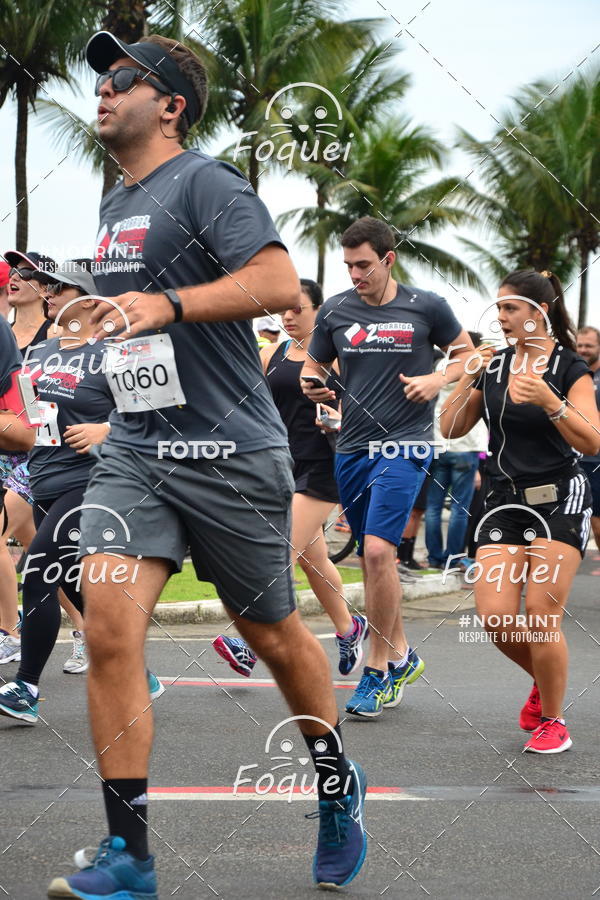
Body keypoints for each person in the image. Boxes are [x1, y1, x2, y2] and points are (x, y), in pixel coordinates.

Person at [47, 32, 367, 899]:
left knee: (270, 634)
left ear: (170, 104)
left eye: (121, 79)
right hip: (139, 452)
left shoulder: (208, 182)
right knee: (110, 627)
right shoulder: (118, 203)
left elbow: (277, 283)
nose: (103, 92)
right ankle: (131, 856)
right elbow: (137, 324)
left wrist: (168, 304)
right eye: (100, 80)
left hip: (231, 455)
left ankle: (336, 785)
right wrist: (102, 325)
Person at [301, 215, 473, 718]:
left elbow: (471, 355)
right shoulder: (335, 310)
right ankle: (402, 655)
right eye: (349, 265)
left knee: (377, 553)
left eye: (364, 265)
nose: (356, 274)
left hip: (405, 445)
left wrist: (437, 379)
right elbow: (314, 364)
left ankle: (375, 672)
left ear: (388, 259)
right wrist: (315, 386)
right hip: (351, 448)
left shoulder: (426, 306)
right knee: (375, 563)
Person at [440, 270, 600, 753]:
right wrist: (467, 378)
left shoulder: (570, 369)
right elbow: (449, 429)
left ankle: (554, 719)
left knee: (540, 614)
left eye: (510, 308)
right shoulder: (492, 365)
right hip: (502, 504)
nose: (501, 317)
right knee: (495, 618)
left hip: (559, 500)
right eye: (499, 308)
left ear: (539, 312)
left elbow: (592, 440)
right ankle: (545, 679)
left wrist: (551, 401)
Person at [213, 279, 368, 678]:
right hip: (281, 466)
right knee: (314, 560)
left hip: (324, 467)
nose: (288, 316)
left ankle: (248, 642)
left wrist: (339, 419)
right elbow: (251, 406)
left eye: (297, 308)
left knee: (279, 552)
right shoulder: (273, 354)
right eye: (283, 309)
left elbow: (367, 413)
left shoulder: (339, 358)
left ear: (319, 311)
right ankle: (349, 628)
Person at [0, 261, 122, 723]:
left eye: (58, 287)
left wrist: (107, 429)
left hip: (92, 484)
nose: (46, 293)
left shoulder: (115, 351)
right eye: (44, 285)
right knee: (81, 588)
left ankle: (26, 688)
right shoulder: (38, 352)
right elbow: (31, 422)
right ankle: (140, 669)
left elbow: (162, 416)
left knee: (38, 571)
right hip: (44, 480)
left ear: (90, 299)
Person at [0, 252, 56, 664]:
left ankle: (10, 632)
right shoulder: (7, 332)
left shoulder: (56, 334)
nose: (17, 278)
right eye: (12, 273)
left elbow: (32, 404)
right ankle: (89, 627)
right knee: (46, 551)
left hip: (36, 449)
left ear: (47, 287)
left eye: (27, 272)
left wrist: (34, 432)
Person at [425, 330, 489, 570]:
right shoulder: (474, 368)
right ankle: (454, 558)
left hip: (439, 443)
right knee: (460, 508)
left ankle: (434, 558)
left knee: (433, 506)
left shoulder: (441, 365)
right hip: (466, 444)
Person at [576, 326, 600, 551]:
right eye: (580, 345)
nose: (583, 350)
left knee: (598, 526)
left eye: (589, 346)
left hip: (597, 462)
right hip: (571, 462)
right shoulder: (571, 374)